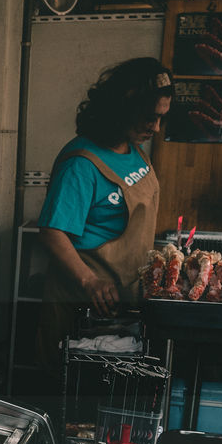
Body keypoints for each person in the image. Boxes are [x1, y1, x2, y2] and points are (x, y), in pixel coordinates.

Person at [36, 58, 173, 368]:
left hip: (123, 302)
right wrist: (89, 282)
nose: (156, 128)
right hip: (82, 306)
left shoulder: (132, 147)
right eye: (149, 118)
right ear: (122, 108)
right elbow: (51, 231)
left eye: (161, 118)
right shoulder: (82, 164)